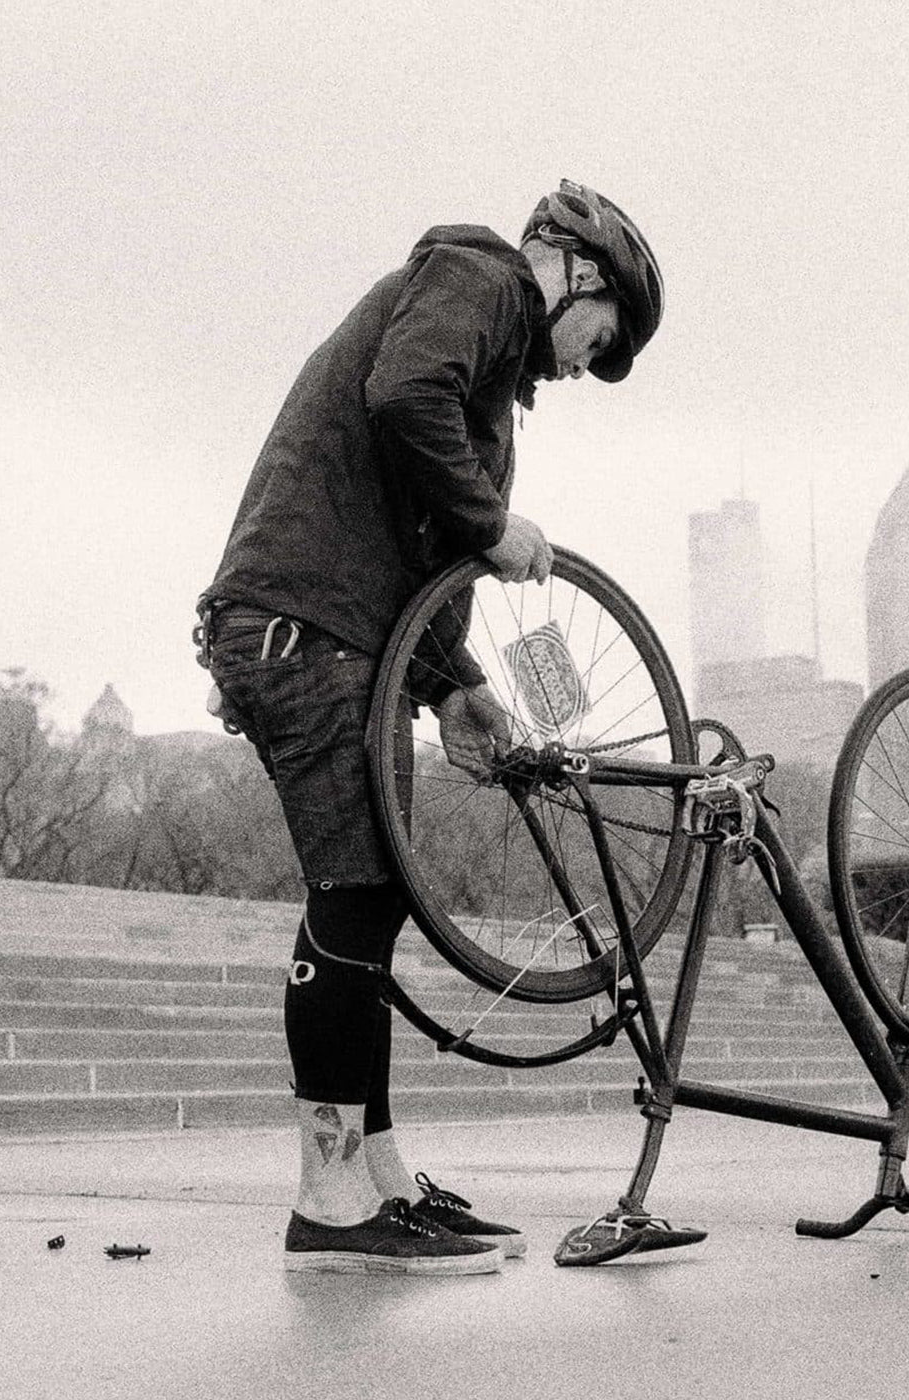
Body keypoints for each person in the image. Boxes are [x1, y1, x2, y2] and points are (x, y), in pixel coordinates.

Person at [194, 180, 664, 1275]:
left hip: (344, 634)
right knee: (355, 893)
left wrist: (459, 683)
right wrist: (496, 521)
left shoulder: (489, 384)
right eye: (608, 337)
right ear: (580, 274)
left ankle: (383, 1178)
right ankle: (327, 1196)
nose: (590, 365)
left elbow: (424, 551)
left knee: (379, 898)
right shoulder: (480, 277)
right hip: (304, 629)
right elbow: (402, 394)